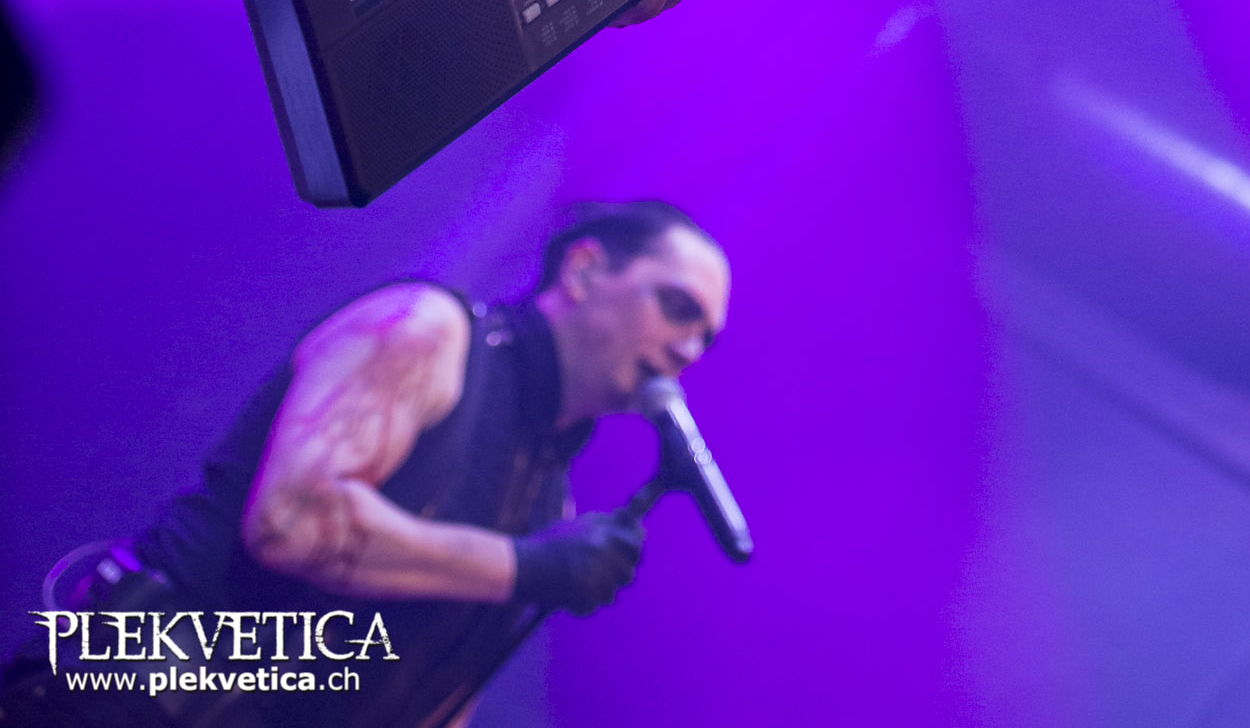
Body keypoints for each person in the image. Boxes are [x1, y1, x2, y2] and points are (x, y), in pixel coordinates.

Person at [0, 198, 731, 728]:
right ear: (585, 270)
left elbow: (435, 692)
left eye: (707, 338)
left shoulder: (547, 504)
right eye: (677, 308)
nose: (688, 349)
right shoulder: (426, 332)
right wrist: (526, 567)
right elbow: (292, 522)